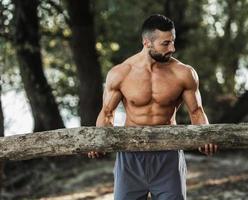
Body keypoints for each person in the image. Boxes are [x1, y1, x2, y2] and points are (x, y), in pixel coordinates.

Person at [88, 14, 218, 200]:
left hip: (168, 155)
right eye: (165, 44)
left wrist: (205, 135)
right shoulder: (121, 73)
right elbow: (107, 114)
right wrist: (98, 141)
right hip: (131, 155)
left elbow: (196, 112)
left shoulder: (183, 73)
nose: (172, 48)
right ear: (147, 42)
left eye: (172, 42)